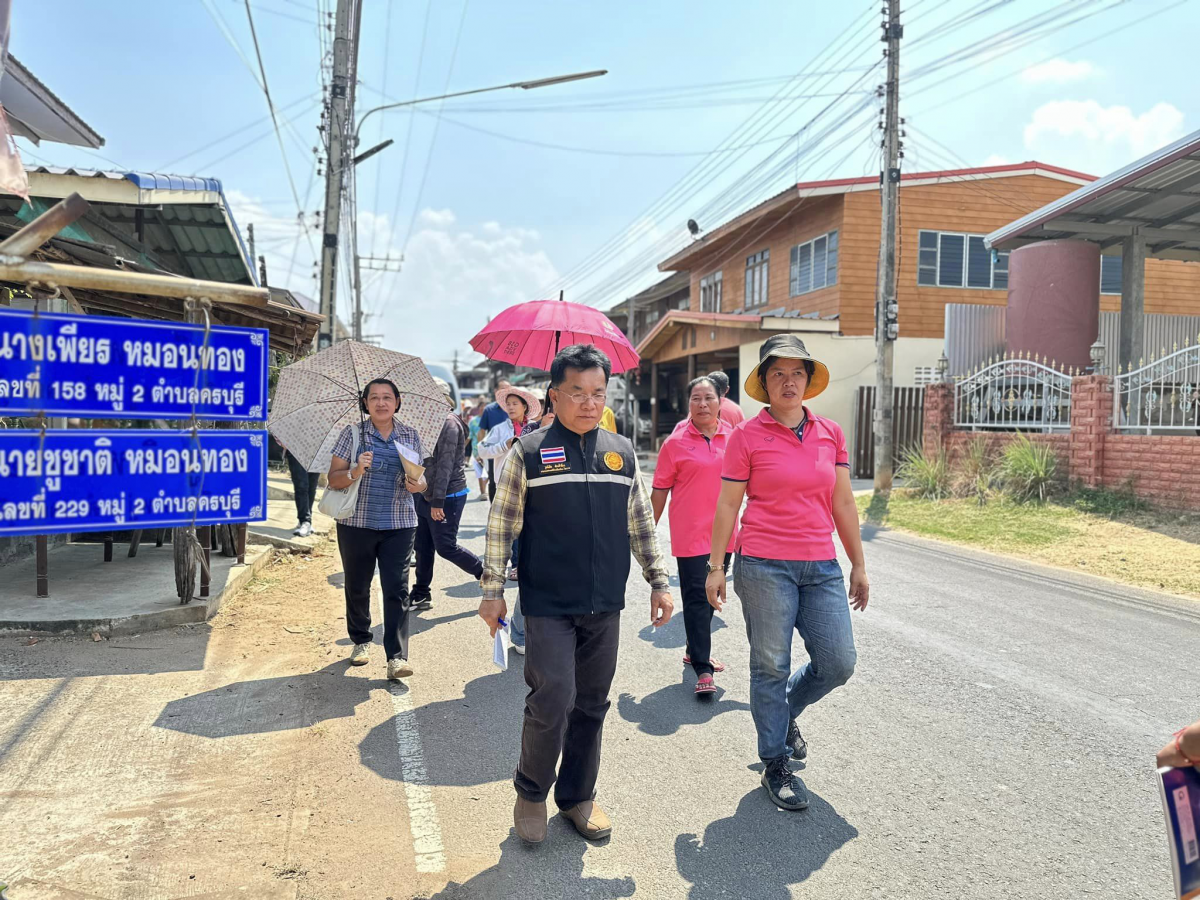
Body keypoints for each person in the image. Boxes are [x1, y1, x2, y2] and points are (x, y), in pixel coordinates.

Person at [479, 343, 673, 845]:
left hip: (604, 603)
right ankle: (530, 792)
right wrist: (492, 589)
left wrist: (658, 580)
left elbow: (641, 524)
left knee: (591, 703)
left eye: (597, 393)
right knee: (553, 697)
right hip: (547, 604)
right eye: (577, 392)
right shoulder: (530, 452)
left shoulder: (621, 452)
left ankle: (578, 796)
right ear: (554, 395)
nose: (588, 402)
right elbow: (502, 524)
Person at [705, 334, 869, 812]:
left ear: (808, 380)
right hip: (763, 565)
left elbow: (842, 501)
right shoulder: (745, 437)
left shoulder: (830, 433)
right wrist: (716, 567)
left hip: (821, 565)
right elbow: (728, 506)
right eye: (778, 373)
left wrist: (858, 562)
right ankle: (775, 761)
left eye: (797, 372)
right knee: (770, 666)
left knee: (838, 662)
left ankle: (784, 711)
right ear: (764, 382)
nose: (789, 381)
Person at [328, 378, 427, 681]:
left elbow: (422, 482)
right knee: (357, 585)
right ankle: (360, 640)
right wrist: (356, 470)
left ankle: (396, 657)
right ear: (365, 403)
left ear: (397, 402)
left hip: (398, 523)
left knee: (397, 589)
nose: (381, 403)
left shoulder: (410, 436)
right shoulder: (353, 434)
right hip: (356, 523)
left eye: (387, 397)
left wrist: (417, 484)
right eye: (374, 398)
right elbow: (333, 478)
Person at [651, 376, 737, 697]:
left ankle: (692, 647)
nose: (703, 404)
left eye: (709, 398)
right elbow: (660, 490)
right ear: (689, 403)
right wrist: (645, 535)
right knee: (698, 599)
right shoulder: (674, 443)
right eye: (696, 398)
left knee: (712, 598)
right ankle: (703, 667)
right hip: (690, 535)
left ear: (720, 402)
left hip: (725, 534)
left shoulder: (735, 438)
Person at [477, 385, 542, 654]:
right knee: (507, 531)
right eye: (509, 404)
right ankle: (510, 567)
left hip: (533, 490)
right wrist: (506, 445)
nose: (512, 407)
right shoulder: (500, 429)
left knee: (528, 536)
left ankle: (517, 564)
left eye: (517, 403)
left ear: (526, 406)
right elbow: (482, 450)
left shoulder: (537, 428)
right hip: (504, 486)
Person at [411, 379, 484, 613]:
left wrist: (437, 501)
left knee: (445, 546)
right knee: (422, 546)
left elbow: (445, 466)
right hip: (425, 492)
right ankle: (421, 593)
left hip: (447, 494)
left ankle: (485, 574)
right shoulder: (427, 422)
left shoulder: (449, 423)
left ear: (442, 398)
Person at [478, 380, 512, 502]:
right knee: (494, 480)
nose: (505, 391)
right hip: (495, 451)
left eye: (508, 388)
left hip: (512, 451)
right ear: (496, 391)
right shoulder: (489, 409)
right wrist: (481, 452)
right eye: (502, 388)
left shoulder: (515, 407)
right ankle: (494, 510)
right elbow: (482, 431)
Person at [281, 442, 320, 537]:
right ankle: (305, 521)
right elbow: (279, 429)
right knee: (301, 486)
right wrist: (284, 442)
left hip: (317, 450)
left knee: (311, 486)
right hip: (296, 449)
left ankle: (307, 520)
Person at [468, 400, 489, 500]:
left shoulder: (492, 420)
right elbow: (469, 436)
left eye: (485, 408)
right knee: (480, 471)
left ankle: (484, 488)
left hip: (491, 450)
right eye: (481, 408)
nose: (483, 410)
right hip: (476, 450)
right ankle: (483, 492)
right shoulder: (473, 421)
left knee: (489, 472)